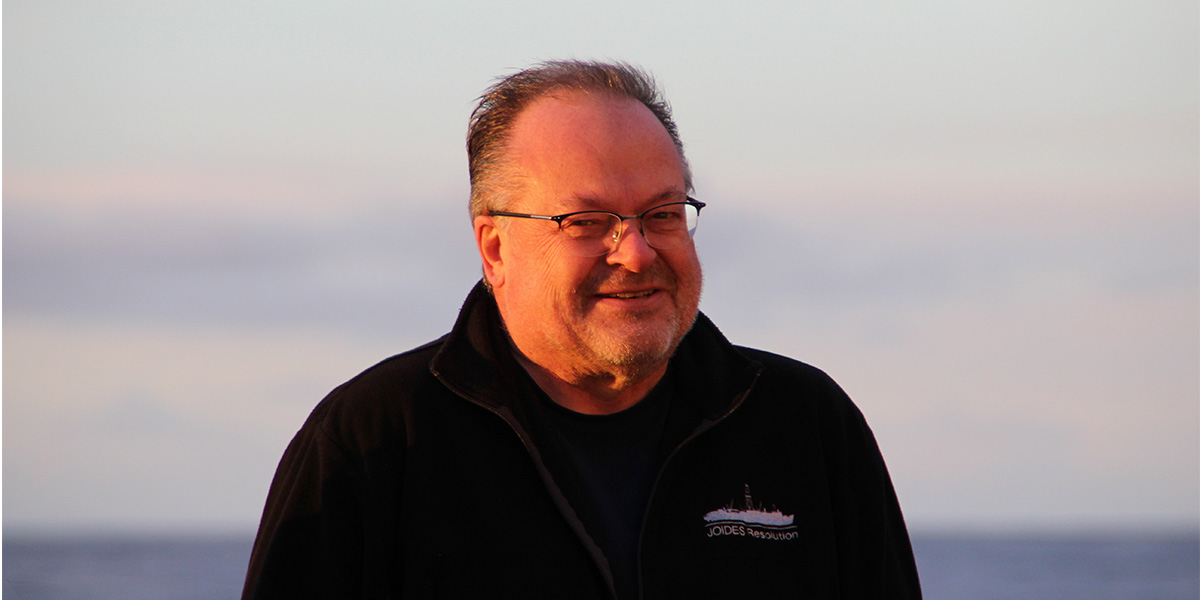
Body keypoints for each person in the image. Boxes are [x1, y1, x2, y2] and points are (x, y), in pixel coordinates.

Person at [242, 60, 922, 599]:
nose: (635, 252)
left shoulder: (804, 425)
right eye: (587, 221)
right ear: (496, 248)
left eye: (661, 213)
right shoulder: (374, 441)